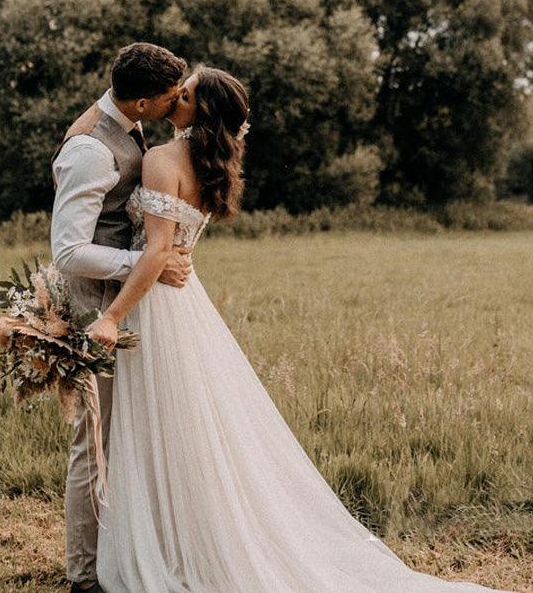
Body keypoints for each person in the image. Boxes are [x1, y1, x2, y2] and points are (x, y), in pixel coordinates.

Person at [87, 66, 509, 593]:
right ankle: (183, 536)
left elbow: (156, 254)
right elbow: (173, 249)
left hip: (154, 305)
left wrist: (111, 316)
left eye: (186, 94)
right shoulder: (207, 166)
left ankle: (172, 547)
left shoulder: (161, 160)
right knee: (184, 425)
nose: (176, 97)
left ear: (202, 112)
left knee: (160, 424)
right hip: (185, 302)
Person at [51, 42, 193, 593]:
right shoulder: (90, 151)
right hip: (95, 310)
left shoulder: (129, 124)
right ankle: (84, 576)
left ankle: (122, 554)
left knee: (129, 436)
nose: (177, 104)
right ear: (140, 103)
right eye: (170, 98)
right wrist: (149, 263)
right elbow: (68, 251)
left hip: (126, 303)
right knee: (94, 442)